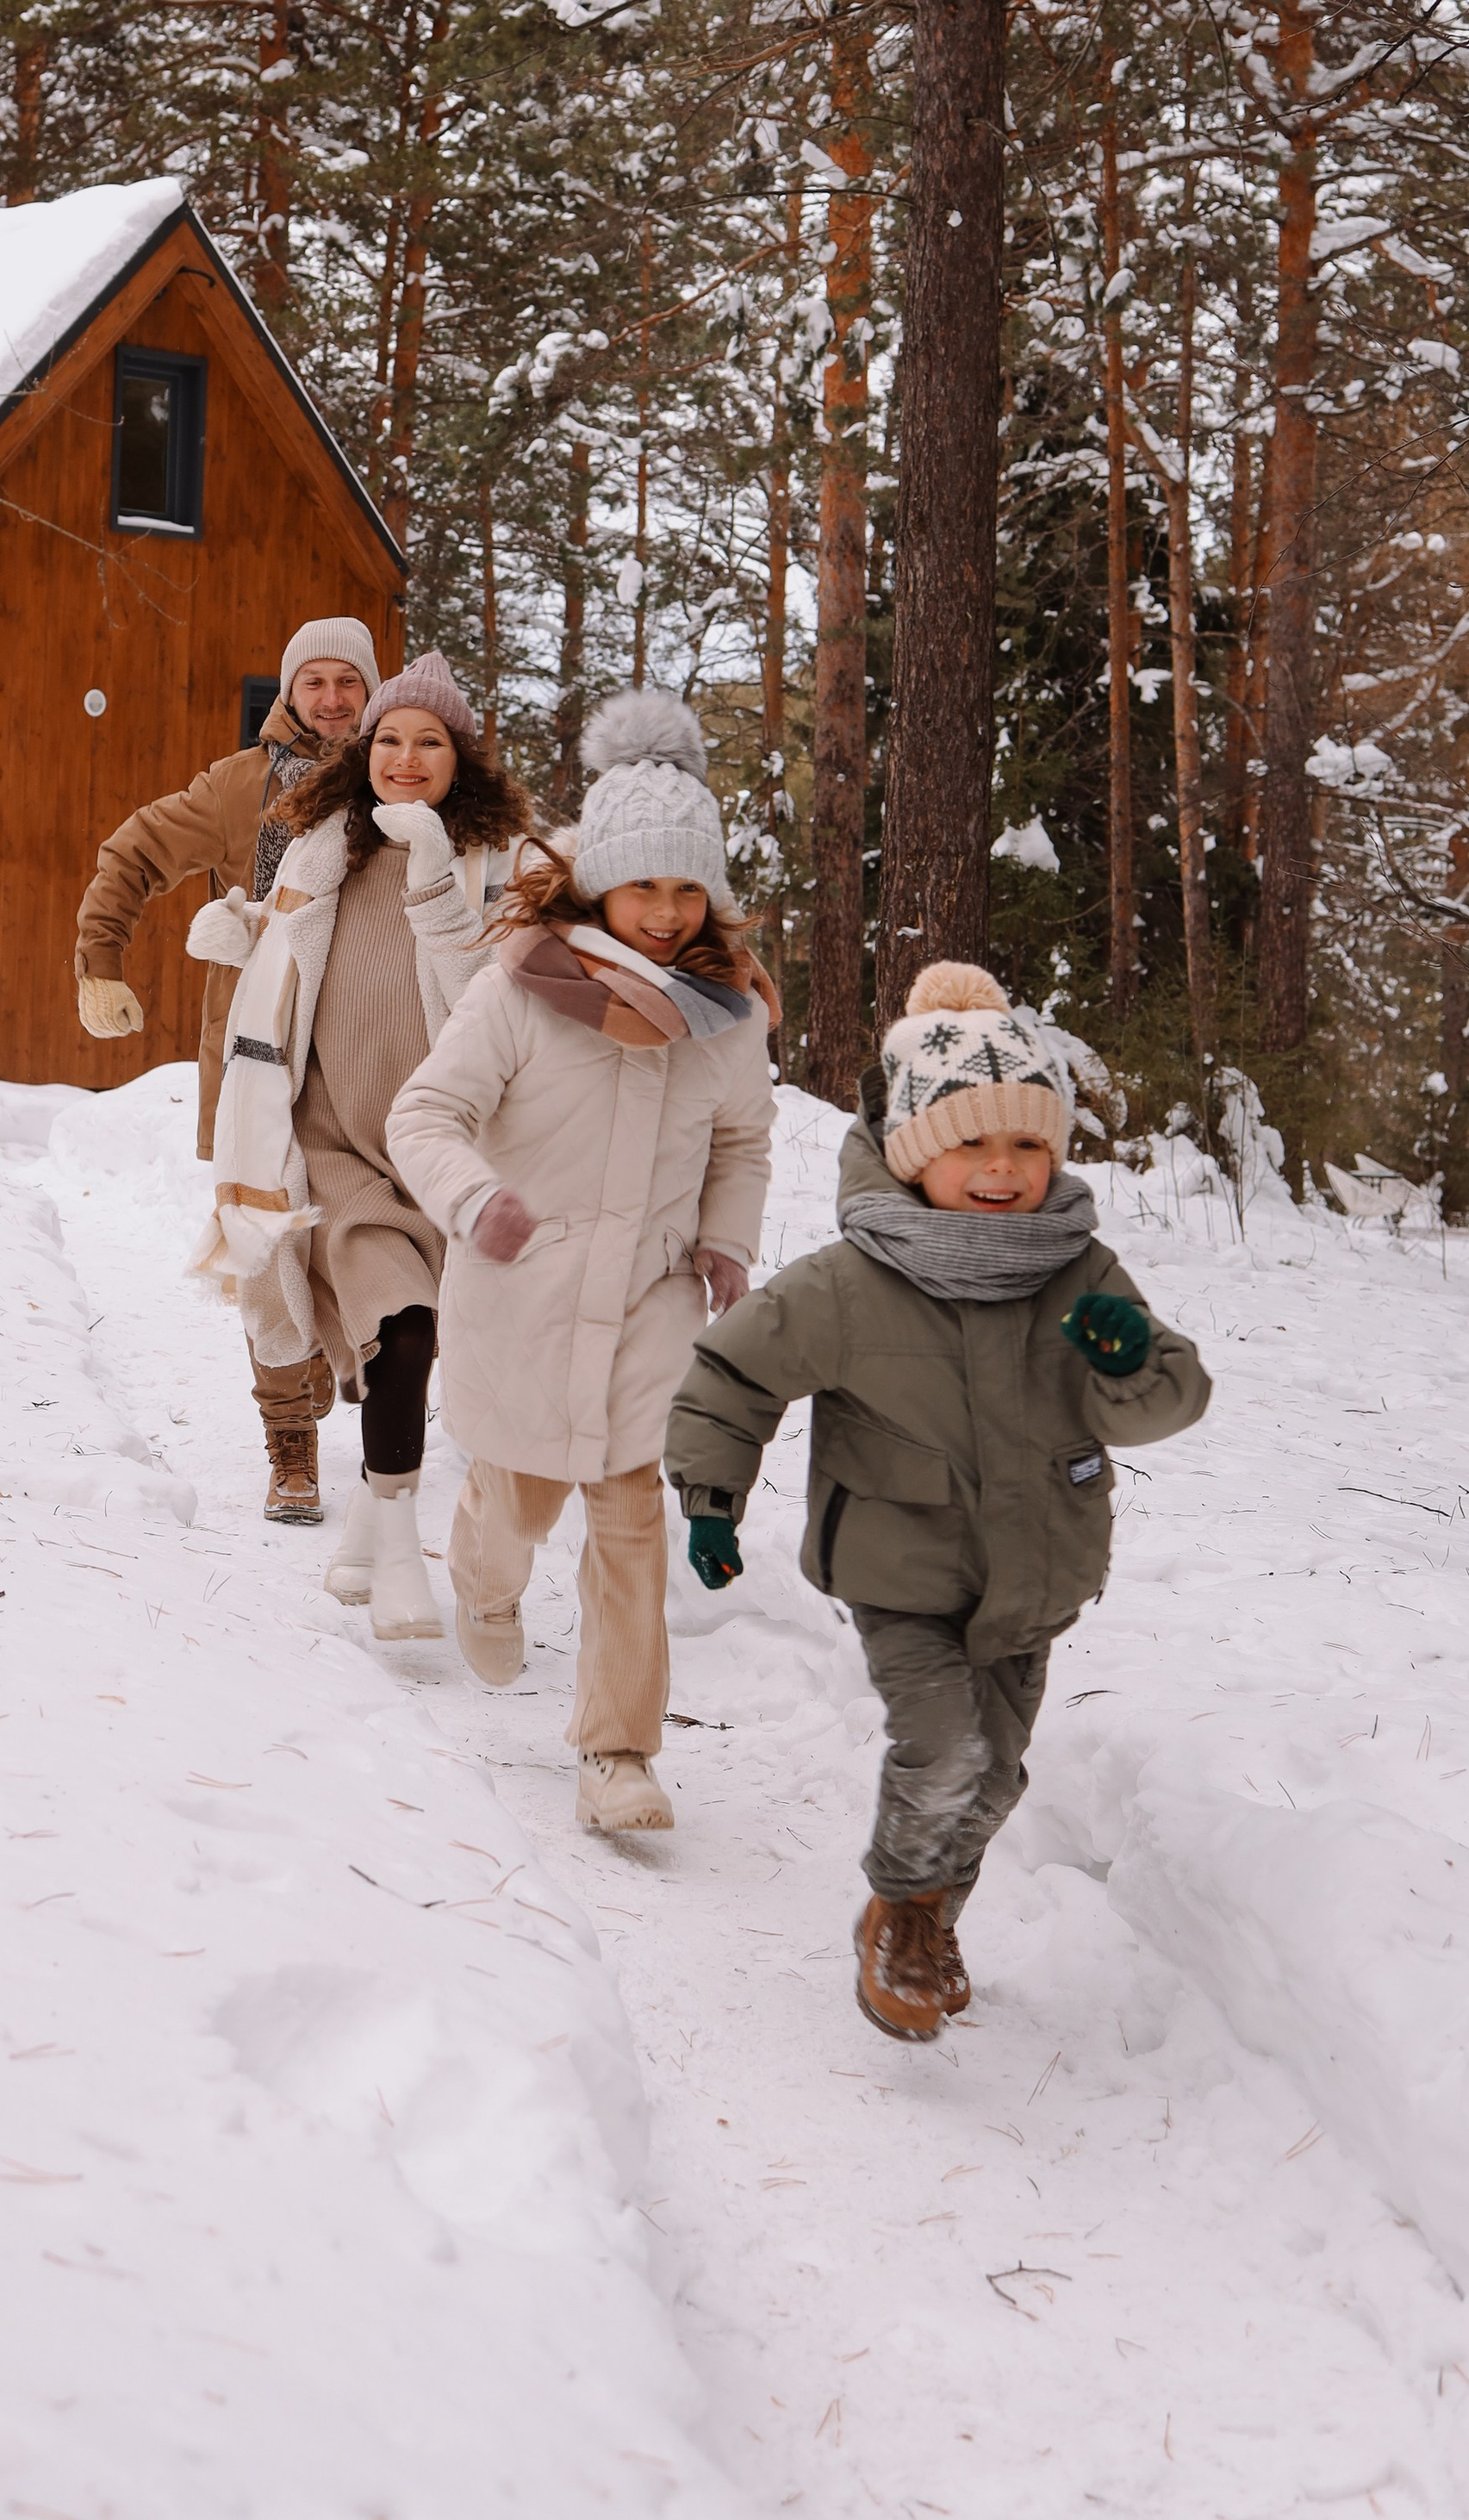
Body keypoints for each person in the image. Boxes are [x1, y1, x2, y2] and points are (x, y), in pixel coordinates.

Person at [665, 961, 1211, 2042]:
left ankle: (917, 1910)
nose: (1002, 1169)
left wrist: (1133, 1356)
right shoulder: (848, 1281)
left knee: (997, 1776)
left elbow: (1162, 1403)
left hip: (1035, 1579)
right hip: (898, 1571)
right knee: (946, 1751)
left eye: (1026, 1145)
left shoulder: (1078, 1270)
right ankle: (900, 1922)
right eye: (971, 1143)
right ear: (917, 1154)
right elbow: (734, 1372)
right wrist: (713, 1497)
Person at [388, 689, 776, 1835]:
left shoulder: (730, 1013)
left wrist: (726, 1237)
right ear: (598, 879)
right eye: (642, 884)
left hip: (650, 1307)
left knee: (627, 1519)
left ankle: (616, 1749)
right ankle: (480, 1574)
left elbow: (746, 1138)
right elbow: (425, 1115)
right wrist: (475, 1201)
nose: (664, 911)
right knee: (519, 1498)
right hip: (523, 1290)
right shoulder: (521, 985)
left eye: (685, 885)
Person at [188, 653, 532, 1637]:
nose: (404, 756)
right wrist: (247, 930)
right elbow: (304, 958)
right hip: (339, 1142)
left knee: (433, 1350)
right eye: (388, 738)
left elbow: (493, 1004)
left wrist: (432, 873)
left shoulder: (501, 864)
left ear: (460, 759)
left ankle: (362, 1539)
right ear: (364, 753)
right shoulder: (319, 849)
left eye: (428, 741)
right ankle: (397, 1560)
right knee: (403, 1333)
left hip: (448, 1149)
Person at [74, 616, 377, 1525]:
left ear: (369, 693)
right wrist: (99, 958)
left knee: (357, 1248)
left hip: (368, 1065)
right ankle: (291, 1446)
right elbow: (132, 851)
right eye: (313, 681)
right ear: (289, 692)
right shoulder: (239, 788)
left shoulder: (407, 782)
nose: (330, 699)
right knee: (263, 1250)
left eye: (347, 683)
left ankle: (323, 1357)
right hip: (257, 1063)